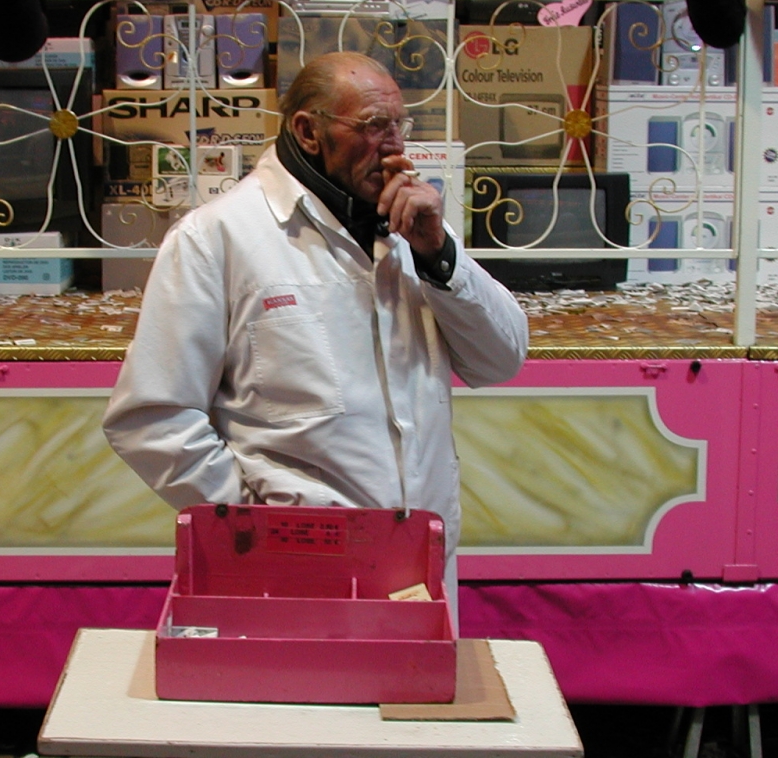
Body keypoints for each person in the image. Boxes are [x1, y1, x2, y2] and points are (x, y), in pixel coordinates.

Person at [102, 51, 529, 611]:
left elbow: (501, 360)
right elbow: (151, 417)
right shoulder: (217, 237)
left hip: (417, 567)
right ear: (308, 131)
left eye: (400, 124)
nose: (395, 146)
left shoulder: (414, 230)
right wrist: (254, 519)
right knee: (298, 668)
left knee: (413, 670)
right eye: (374, 125)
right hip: (289, 566)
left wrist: (439, 255)